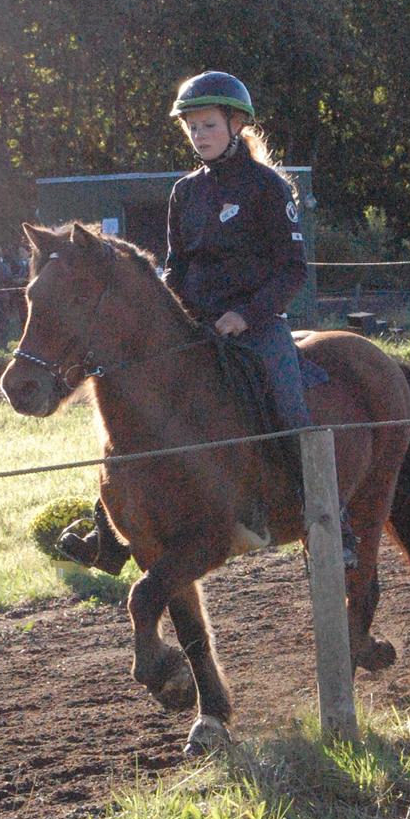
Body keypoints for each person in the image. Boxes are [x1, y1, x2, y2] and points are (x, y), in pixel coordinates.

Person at [60, 69, 358, 572]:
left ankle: (330, 520)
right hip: (195, 326)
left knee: (288, 406)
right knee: (139, 407)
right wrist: (167, 315)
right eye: (192, 127)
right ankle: (109, 529)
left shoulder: (269, 188)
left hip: (257, 325)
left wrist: (244, 314)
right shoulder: (184, 192)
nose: (199, 135)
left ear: (236, 123)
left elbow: (292, 270)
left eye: (208, 125)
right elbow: (176, 267)